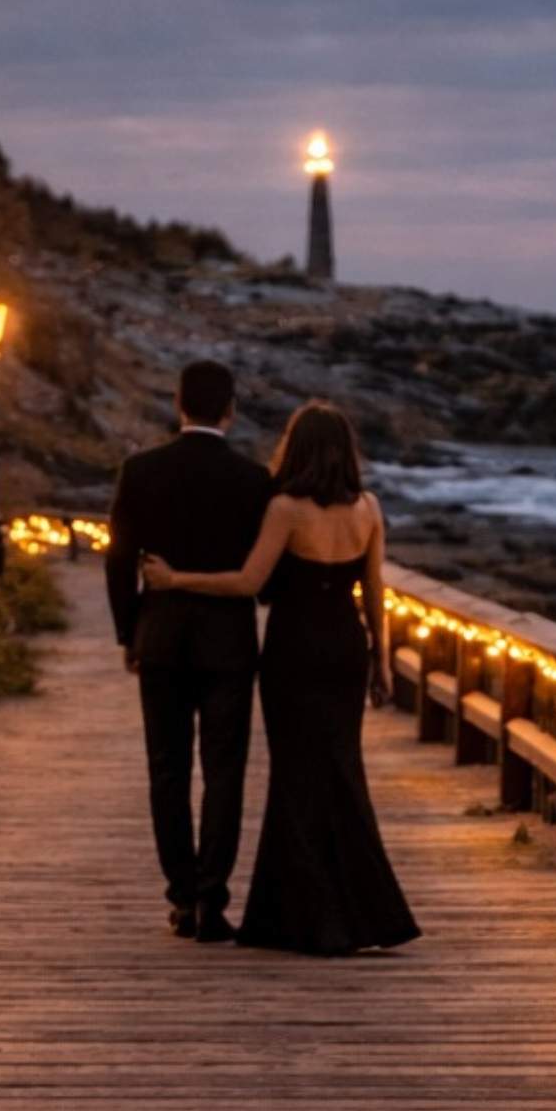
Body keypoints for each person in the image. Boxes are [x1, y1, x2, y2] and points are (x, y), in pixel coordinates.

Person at [141, 400, 419, 956]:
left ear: (297, 448)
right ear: (345, 451)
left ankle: (299, 915)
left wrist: (177, 580)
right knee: (343, 772)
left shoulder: (286, 509)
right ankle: (366, 913)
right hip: (346, 649)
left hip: (294, 650)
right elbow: (375, 592)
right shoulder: (368, 508)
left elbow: (248, 583)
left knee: (294, 776)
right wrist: (382, 662)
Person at [105, 359, 273, 941]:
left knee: (168, 770)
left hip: (162, 639)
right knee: (224, 773)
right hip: (229, 644)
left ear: (178, 405)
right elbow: (268, 580)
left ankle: (180, 895)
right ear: (230, 409)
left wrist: (129, 632)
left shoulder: (141, 470)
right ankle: (212, 899)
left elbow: (118, 558)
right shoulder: (254, 481)